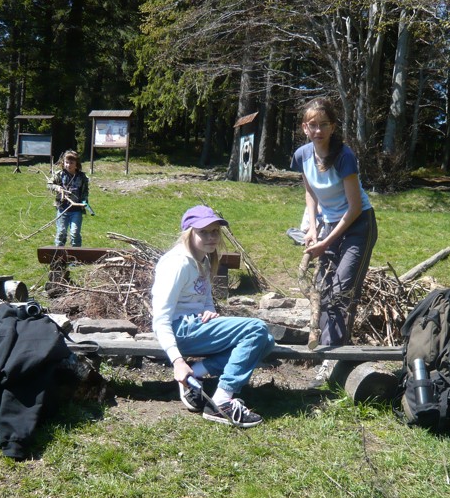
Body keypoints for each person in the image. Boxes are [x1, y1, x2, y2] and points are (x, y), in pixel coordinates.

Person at [151, 205, 275, 427]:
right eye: (204, 232)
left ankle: (195, 373)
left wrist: (209, 309)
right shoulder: (177, 263)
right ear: (189, 232)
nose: (211, 237)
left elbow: (205, 298)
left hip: (196, 325)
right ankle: (222, 400)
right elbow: (160, 318)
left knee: (266, 341)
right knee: (256, 329)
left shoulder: (204, 259)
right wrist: (178, 361)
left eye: (215, 231)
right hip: (180, 330)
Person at [290, 97, 378, 387]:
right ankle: (328, 351)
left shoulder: (344, 157)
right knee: (323, 288)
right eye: (312, 125)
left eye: (324, 125)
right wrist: (313, 230)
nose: (318, 130)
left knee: (342, 291)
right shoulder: (303, 155)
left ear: (333, 127)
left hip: (358, 227)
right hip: (327, 225)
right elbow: (311, 194)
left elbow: (353, 209)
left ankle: (332, 363)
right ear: (305, 127)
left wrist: (326, 241)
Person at [48, 150, 90, 247]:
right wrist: (57, 188)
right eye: (67, 162)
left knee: (75, 233)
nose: (69, 165)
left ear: (76, 164)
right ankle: (58, 256)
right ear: (63, 163)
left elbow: (85, 192)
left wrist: (84, 202)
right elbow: (49, 185)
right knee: (61, 233)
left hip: (76, 210)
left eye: (71, 163)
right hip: (62, 209)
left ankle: (75, 258)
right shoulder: (59, 175)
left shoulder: (81, 177)